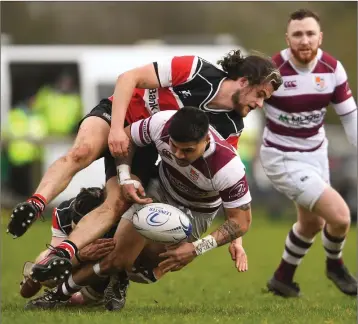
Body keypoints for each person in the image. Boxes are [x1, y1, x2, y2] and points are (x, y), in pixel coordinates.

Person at [8, 50, 282, 281]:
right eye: (260, 94)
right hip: (120, 115)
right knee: (81, 152)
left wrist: (236, 239)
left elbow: (226, 181)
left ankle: (63, 253)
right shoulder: (196, 70)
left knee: (115, 205)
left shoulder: (231, 126)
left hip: (143, 145)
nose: (260, 104)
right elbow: (129, 78)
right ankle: (36, 203)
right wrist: (116, 129)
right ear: (244, 82)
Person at [26, 107, 252, 310]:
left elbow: (241, 221)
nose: (178, 155)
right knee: (116, 257)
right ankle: (58, 295)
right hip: (158, 191)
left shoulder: (227, 167)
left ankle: (118, 277)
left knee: (147, 265)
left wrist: (196, 248)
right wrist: (125, 177)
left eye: (188, 150)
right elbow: (125, 137)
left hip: (196, 212)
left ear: (206, 140)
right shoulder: (161, 123)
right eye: (174, 146)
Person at [259, 9, 357, 297]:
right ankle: (335, 265)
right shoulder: (272, 70)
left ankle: (282, 278)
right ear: (287, 38)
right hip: (281, 157)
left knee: (312, 223)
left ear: (320, 37)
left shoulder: (332, 69)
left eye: (310, 33)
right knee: (340, 217)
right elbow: (247, 105)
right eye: (298, 34)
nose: (304, 40)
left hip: (315, 153)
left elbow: (349, 117)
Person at [20, 187, 115, 305]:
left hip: (103, 268)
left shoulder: (114, 218)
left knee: (80, 300)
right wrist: (80, 256)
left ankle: (65, 294)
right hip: (75, 260)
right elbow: (55, 257)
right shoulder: (63, 213)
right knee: (47, 263)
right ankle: (34, 276)